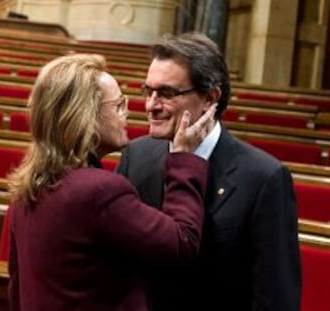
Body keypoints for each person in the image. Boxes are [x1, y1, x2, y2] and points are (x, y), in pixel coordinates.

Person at [7, 53, 217, 311]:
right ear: (87, 117)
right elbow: (182, 241)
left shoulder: (26, 191)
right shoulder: (99, 191)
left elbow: (17, 289)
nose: (128, 112)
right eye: (118, 105)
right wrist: (184, 159)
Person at [117, 32, 301, 311]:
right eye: (148, 91)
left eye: (166, 93)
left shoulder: (265, 177)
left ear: (210, 98)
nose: (151, 105)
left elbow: (275, 298)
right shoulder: (136, 155)